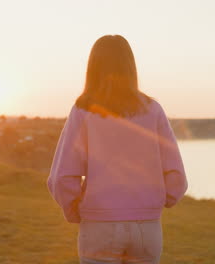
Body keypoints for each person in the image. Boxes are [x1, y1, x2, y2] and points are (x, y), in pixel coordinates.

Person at [47, 34, 188, 264]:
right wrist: (162, 201)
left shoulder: (83, 110)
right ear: (130, 66)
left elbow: (63, 177)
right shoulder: (153, 110)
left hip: (99, 226)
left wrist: (74, 211)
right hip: (147, 227)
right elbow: (176, 173)